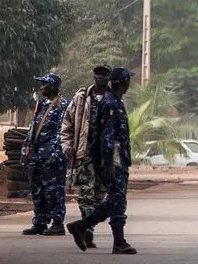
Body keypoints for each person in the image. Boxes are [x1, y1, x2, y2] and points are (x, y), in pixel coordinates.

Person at [66, 67, 137, 255]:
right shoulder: (111, 104)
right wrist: (109, 164)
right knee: (118, 200)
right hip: (114, 162)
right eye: (128, 80)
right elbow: (108, 137)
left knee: (113, 200)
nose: (129, 83)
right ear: (123, 83)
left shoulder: (115, 102)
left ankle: (81, 226)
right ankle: (118, 242)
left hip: (118, 160)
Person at [61, 64, 112, 249]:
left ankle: (86, 225)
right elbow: (67, 124)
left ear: (109, 77)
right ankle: (87, 227)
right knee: (86, 193)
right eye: (98, 73)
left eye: (105, 74)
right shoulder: (82, 98)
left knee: (101, 194)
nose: (101, 76)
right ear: (93, 75)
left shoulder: (113, 98)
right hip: (86, 153)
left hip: (105, 156)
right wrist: (67, 145)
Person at [22, 73, 69, 236]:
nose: (41, 87)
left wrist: (55, 152)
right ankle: (40, 221)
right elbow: (33, 128)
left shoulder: (62, 105)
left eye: (44, 84)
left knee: (54, 190)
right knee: (37, 189)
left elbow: (63, 131)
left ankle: (57, 222)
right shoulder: (41, 105)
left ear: (53, 87)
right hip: (36, 155)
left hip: (51, 156)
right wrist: (26, 148)